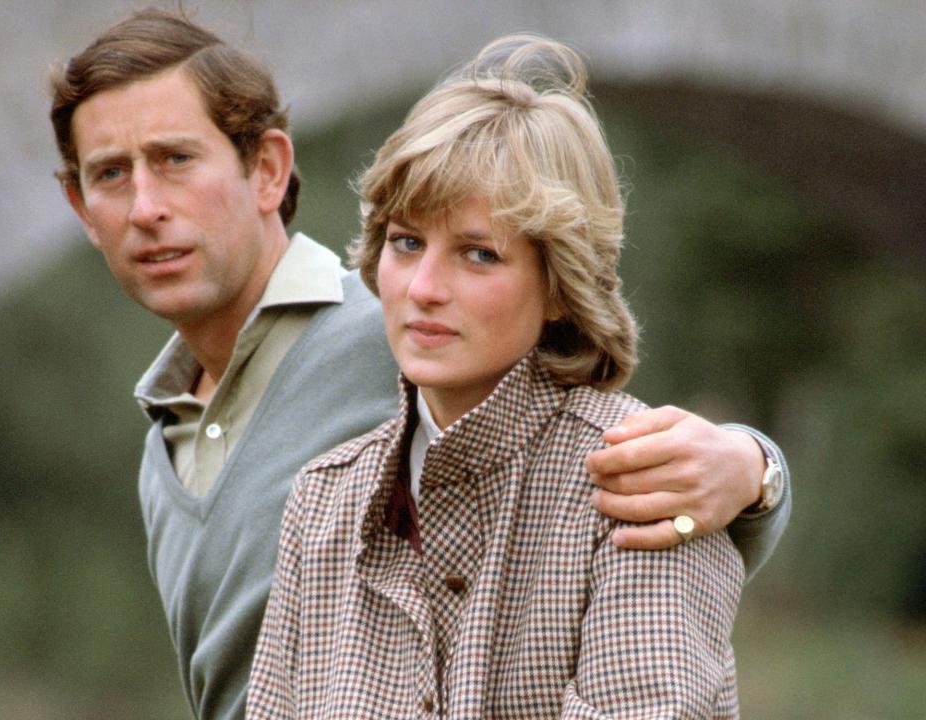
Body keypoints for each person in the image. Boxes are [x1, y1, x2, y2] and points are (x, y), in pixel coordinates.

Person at [49, 9, 789, 720]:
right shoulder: (281, 480)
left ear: (269, 169)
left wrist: (754, 469)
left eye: (176, 158)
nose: (427, 291)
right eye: (405, 244)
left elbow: (667, 481)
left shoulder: (413, 344)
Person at [247, 34, 752, 718]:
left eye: (478, 254)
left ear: (558, 285)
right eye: (406, 242)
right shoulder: (322, 503)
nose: (424, 287)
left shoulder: (641, 481)